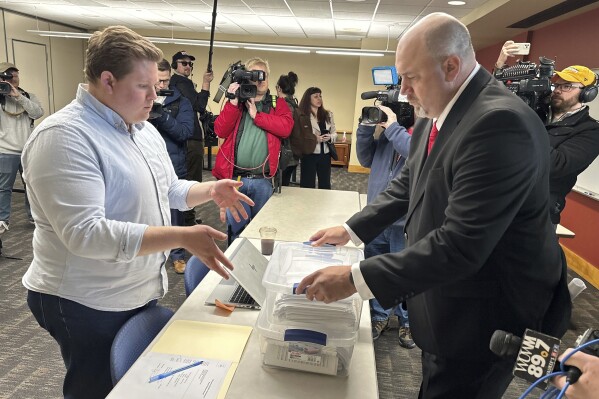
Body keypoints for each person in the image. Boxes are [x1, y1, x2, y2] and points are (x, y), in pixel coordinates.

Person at [296, 13, 570, 399]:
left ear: (451, 66)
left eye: (411, 76)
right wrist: (354, 229)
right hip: (445, 297)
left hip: (486, 317)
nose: (403, 90)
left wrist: (355, 279)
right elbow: (410, 181)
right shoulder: (436, 109)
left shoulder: (500, 123)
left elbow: (461, 246)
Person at [21, 26, 253, 399]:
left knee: (130, 385)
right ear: (107, 80)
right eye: (144, 85)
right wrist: (180, 236)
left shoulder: (141, 127)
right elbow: (85, 234)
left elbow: (168, 189)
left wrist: (210, 190)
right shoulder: (64, 137)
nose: (155, 94)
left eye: (156, 84)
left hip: (130, 289)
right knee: (97, 388)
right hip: (84, 298)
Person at [495, 41, 599, 225]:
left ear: (587, 94)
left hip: (538, 215)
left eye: (567, 86)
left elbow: (556, 165)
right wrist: (499, 67)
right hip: (503, 200)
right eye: (557, 85)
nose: (558, 90)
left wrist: (525, 124)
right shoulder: (538, 111)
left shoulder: (590, 131)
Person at [212, 57, 293, 242]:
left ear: (269, 79)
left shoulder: (276, 103)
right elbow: (220, 130)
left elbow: (286, 127)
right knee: (236, 231)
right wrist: (232, 104)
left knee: (261, 231)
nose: (259, 79)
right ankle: (234, 267)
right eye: (254, 74)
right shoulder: (236, 103)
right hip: (236, 179)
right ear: (246, 78)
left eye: (263, 75)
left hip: (262, 180)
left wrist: (258, 116)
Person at [355, 104, 414, 348]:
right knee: (376, 270)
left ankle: (407, 322)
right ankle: (379, 316)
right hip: (376, 218)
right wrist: (365, 129)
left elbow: (413, 152)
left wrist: (392, 127)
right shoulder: (387, 138)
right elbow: (364, 158)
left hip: (404, 222)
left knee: (405, 275)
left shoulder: (418, 136)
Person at [148, 59, 194, 274]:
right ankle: (149, 254)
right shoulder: (140, 99)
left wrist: (161, 115)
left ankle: (177, 255)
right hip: (144, 164)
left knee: (175, 213)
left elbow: (185, 133)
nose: (161, 86)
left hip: (173, 166)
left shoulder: (181, 102)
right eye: (157, 81)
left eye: (165, 81)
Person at [169, 50, 214, 225]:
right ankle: (187, 221)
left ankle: (186, 218)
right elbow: (200, 105)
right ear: (175, 66)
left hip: (186, 139)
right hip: (190, 141)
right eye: (184, 63)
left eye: (190, 64)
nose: (188, 66)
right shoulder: (180, 82)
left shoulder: (180, 83)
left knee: (187, 179)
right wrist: (205, 83)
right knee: (192, 181)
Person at [0, 62, 43, 237]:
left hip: (27, 150)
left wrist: (18, 96)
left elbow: (37, 113)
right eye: (6, 77)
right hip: (5, 150)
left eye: (13, 76)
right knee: (4, 188)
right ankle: (3, 219)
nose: (10, 80)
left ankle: (34, 217)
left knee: (31, 186)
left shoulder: (28, 96)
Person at [298, 87, 337, 189]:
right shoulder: (303, 116)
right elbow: (300, 136)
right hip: (309, 154)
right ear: (308, 99)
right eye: (315, 97)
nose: (319, 99)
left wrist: (330, 137)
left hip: (325, 154)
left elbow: (334, 133)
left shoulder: (328, 114)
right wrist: (316, 139)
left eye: (320, 96)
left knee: (325, 184)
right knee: (307, 184)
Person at [276, 71, 300, 186]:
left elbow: (281, 130)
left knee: (280, 189)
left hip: (284, 154)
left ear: (279, 88)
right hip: (293, 153)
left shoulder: (283, 105)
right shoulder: (295, 104)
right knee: (284, 186)